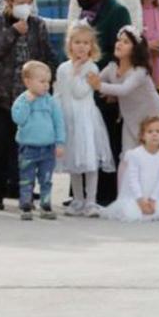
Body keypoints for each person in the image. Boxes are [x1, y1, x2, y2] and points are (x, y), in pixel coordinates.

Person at [0, 0, 56, 211]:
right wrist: (12, 32)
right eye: (20, 3)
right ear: (9, 2)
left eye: (29, 3)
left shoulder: (38, 25)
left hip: (30, 98)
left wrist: (47, 84)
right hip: (2, 96)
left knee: (28, 147)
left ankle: (24, 190)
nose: (26, 7)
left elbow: (47, 55)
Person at [72, 0, 132, 205]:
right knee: (82, 142)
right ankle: (78, 194)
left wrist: (109, 83)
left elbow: (120, 52)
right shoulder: (85, 13)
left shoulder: (117, 11)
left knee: (106, 141)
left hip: (105, 84)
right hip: (82, 82)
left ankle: (105, 194)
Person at [56, 22, 116, 217]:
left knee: (89, 160)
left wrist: (76, 72)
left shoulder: (91, 68)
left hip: (86, 121)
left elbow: (80, 92)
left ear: (92, 46)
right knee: (74, 161)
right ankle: (78, 200)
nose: (81, 47)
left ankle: (91, 200)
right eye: (77, 42)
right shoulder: (63, 68)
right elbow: (61, 92)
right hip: (70, 119)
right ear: (70, 45)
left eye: (86, 43)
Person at [89, 25, 159, 152]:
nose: (119, 44)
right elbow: (94, 81)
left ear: (135, 49)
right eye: (119, 40)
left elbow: (123, 89)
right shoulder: (112, 68)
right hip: (130, 118)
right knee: (127, 156)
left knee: (153, 155)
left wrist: (100, 86)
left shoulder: (139, 71)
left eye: (126, 42)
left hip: (151, 118)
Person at [99, 116, 159, 222]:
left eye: (158, 131)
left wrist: (153, 200)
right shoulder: (135, 155)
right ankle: (141, 206)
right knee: (131, 212)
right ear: (142, 136)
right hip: (137, 196)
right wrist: (140, 200)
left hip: (156, 195)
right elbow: (132, 179)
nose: (154, 134)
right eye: (150, 131)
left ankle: (151, 205)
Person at [11, 60, 64, 221]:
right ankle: (26, 205)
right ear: (28, 82)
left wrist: (60, 142)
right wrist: (28, 102)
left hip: (47, 148)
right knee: (27, 178)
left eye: (48, 81)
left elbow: (58, 122)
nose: (46, 85)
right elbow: (18, 119)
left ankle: (46, 205)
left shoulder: (50, 101)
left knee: (46, 179)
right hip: (28, 148)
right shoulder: (22, 100)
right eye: (41, 82)